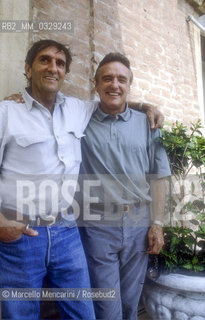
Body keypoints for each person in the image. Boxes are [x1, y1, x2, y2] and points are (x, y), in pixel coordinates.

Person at [0, 40, 163, 320]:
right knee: (20, 314)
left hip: (67, 230)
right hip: (22, 234)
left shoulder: (76, 109)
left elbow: (114, 99)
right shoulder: (6, 113)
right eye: (44, 61)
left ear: (65, 73)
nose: (53, 68)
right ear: (28, 68)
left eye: (60, 63)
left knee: (84, 313)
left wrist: (145, 105)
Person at [78, 52, 171, 320]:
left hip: (139, 223)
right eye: (107, 79)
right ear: (96, 84)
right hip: (98, 224)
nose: (114, 85)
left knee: (131, 303)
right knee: (107, 305)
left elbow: (158, 176)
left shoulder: (148, 124)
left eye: (121, 79)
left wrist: (157, 223)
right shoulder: (80, 120)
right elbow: (49, 101)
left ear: (130, 85)